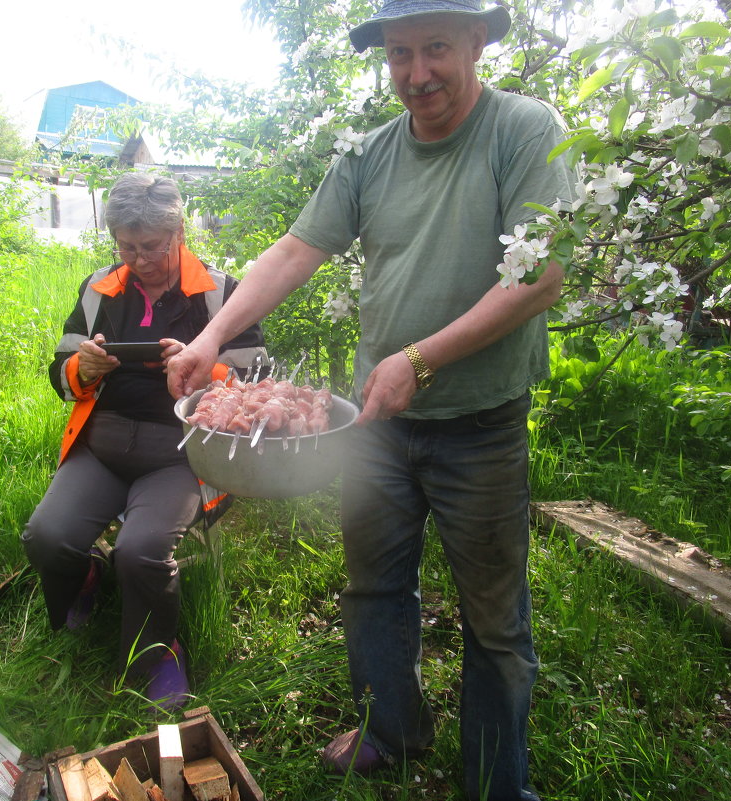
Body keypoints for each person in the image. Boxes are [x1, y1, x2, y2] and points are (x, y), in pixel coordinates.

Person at [167, 0, 578, 796]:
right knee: (374, 585)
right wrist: (214, 336)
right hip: (379, 424)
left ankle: (496, 780)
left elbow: (540, 276)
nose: (417, 74)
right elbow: (295, 249)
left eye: (434, 50)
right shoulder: (369, 152)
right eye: (398, 54)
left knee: (494, 621)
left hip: (481, 424)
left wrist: (420, 360)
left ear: (475, 43)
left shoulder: (524, 130)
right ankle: (392, 727)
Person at [22, 171, 268, 712]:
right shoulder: (99, 289)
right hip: (103, 445)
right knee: (46, 534)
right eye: (127, 247)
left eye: (152, 247)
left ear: (178, 230)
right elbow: (60, 375)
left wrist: (207, 372)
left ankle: (156, 654)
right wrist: (81, 368)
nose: (140, 260)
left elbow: (258, 380)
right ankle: (87, 575)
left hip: (181, 454)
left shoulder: (219, 293)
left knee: (141, 550)